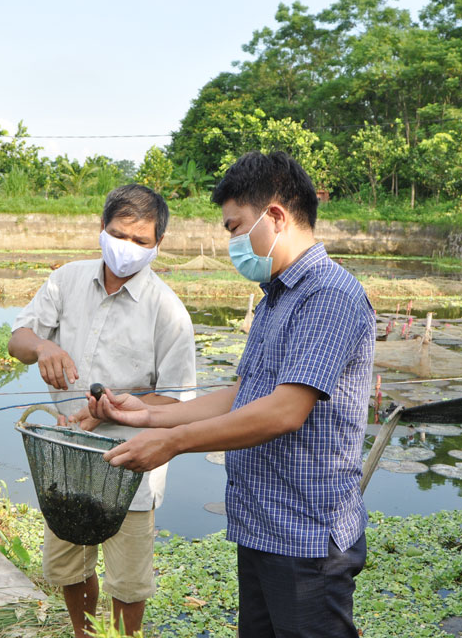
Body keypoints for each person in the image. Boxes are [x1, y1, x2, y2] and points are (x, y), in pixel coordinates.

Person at [83, 151, 376, 637]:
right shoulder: (276, 298)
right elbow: (241, 394)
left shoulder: (329, 295)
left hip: (306, 534)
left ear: (276, 217)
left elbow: (284, 411)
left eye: (236, 227)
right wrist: (146, 417)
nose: (233, 242)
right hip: (261, 524)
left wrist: (174, 444)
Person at [7, 184, 196, 638]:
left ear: (158, 245)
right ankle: (83, 634)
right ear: (101, 229)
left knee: (128, 582)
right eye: (118, 234)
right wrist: (43, 345)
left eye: (141, 241)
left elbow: (178, 402)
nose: (127, 247)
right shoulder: (67, 280)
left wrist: (108, 411)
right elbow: (18, 338)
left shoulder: (168, 311)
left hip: (132, 462)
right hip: (67, 456)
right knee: (70, 564)